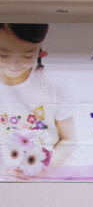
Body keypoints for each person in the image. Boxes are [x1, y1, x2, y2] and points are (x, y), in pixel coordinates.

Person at [0, 23, 75, 179]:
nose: (14, 65)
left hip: (42, 180)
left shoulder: (54, 84)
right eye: (3, 54)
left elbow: (68, 139)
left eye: (27, 55)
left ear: (40, 50)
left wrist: (41, 171)